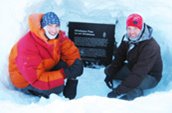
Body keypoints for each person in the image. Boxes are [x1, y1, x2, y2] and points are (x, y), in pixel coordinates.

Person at [9, 12, 83, 99]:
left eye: (56, 26)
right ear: (42, 27)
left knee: (69, 64)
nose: (54, 30)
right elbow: (36, 79)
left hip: (44, 68)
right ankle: (30, 91)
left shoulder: (58, 36)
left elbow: (70, 51)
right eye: (50, 26)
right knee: (57, 87)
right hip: (26, 80)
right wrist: (65, 73)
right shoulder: (27, 46)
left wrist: (76, 67)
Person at [104, 13, 163, 100]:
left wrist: (117, 92)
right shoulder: (127, 38)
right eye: (129, 28)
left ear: (141, 28)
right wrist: (110, 74)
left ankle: (136, 93)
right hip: (133, 68)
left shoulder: (151, 47)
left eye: (135, 28)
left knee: (134, 83)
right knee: (108, 70)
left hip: (149, 76)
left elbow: (139, 73)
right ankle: (129, 84)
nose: (132, 32)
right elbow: (119, 58)